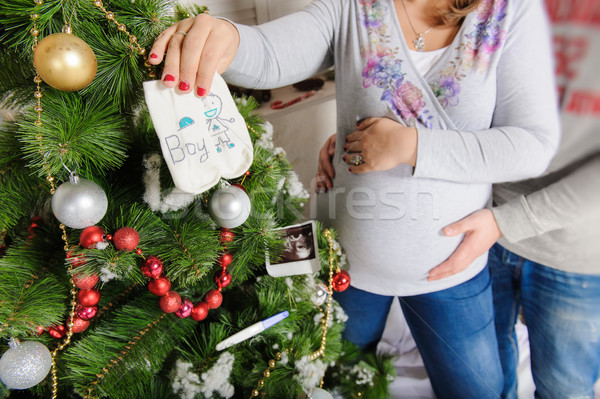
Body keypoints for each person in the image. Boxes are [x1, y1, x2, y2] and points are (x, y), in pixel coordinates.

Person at [149, 0, 560, 397]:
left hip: (453, 268)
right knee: (337, 383)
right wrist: (226, 36)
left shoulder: (510, 11)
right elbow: (272, 53)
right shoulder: (355, 8)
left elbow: (534, 145)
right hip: (348, 263)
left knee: (477, 389)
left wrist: (411, 146)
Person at [421, 0, 600, 397]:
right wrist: (362, 133)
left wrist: (506, 221)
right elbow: (447, 90)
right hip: (480, 221)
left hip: (575, 251)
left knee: (564, 389)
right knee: (486, 384)